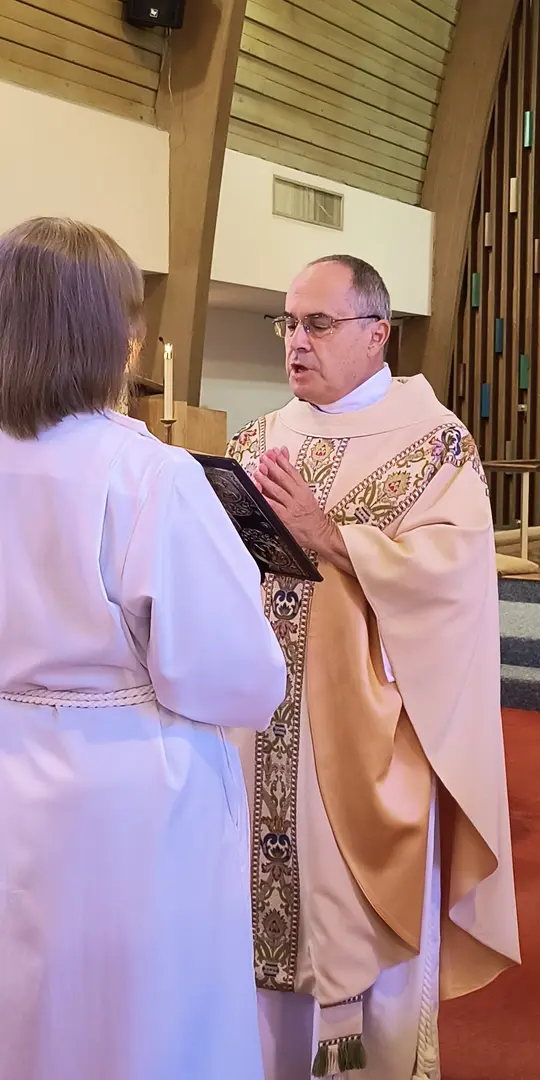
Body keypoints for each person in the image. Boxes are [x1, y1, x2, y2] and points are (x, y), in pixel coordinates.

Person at [0, 217, 286, 1080]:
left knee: (27, 1008)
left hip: (12, 773)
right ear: (114, 338)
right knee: (143, 1024)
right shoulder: (147, 473)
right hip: (128, 794)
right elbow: (234, 675)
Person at [227, 255, 520, 1080]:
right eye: (287, 323)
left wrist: (336, 541)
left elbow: (456, 585)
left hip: (364, 751)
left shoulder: (434, 445)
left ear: (377, 333)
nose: (296, 342)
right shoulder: (259, 439)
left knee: (357, 950)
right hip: (258, 736)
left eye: (317, 324)